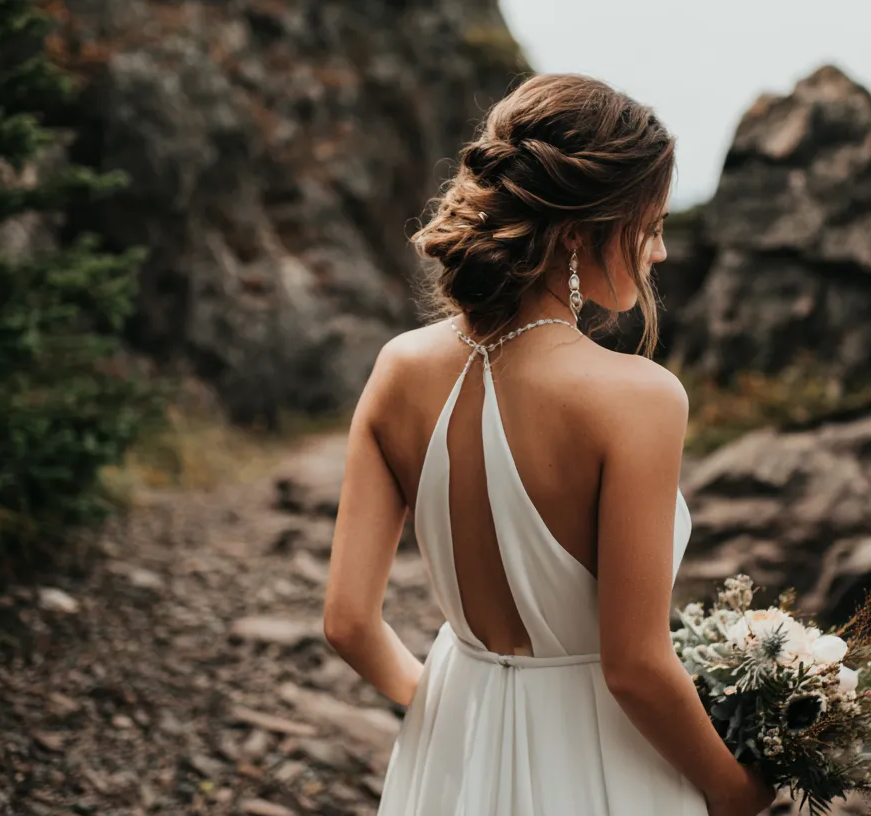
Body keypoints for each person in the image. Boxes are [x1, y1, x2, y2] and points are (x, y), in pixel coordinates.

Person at [323, 73, 774, 816]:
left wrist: (453, 717)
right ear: (576, 233)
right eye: (649, 224)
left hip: (450, 748)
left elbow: (347, 622)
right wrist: (737, 794)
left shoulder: (398, 367)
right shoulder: (638, 397)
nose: (658, 252)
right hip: (600, 760)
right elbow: (633, 666)